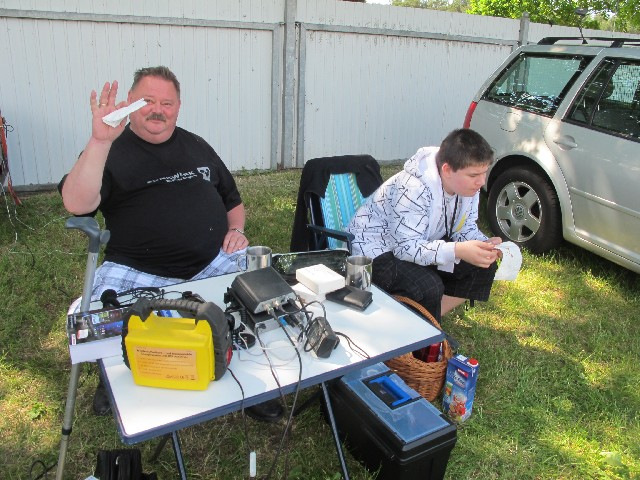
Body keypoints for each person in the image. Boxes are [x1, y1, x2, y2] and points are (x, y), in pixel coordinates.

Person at [60, 66, 282, 422]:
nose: (157, 110)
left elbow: (232, 201)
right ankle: (116, 375)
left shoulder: (197, 145)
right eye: (147, 101)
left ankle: (250, 383)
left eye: (167, 103)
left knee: (263, 296)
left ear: (178, 107)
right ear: (129, 103)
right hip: (138, 270)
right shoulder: (109, 150)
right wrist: (100, 141)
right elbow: (76, 203)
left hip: (212, 261)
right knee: (96, 323)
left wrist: (237, 229)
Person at [346, 128, 501, 322]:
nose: (481, 182)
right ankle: (424, 322)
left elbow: (464, 227)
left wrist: (485, 244)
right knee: (428, 285)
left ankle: (427, 320)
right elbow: (404, 249)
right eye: (473, 175)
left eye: (484, 173)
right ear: (447, 170)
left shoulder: (468, 188)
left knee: (483, 265)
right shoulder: (413, 187)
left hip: (417, 242)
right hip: (373, 252)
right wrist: (457, 250)